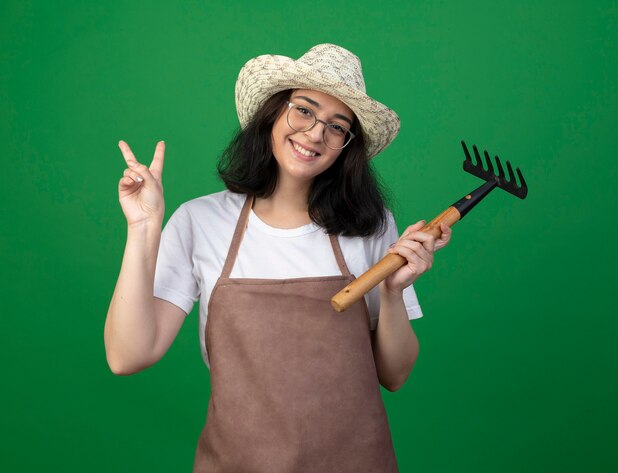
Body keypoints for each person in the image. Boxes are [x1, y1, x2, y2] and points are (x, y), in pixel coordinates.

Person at [105, 43, 451, 472]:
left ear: (347, 146)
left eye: (337, 126)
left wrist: (394, 292)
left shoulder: (371, 225)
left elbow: (395, 375)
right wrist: (142, 228)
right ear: (272, 111)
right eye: (304, 109)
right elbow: (127, 356)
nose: (315, 134)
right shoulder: (200, 221)